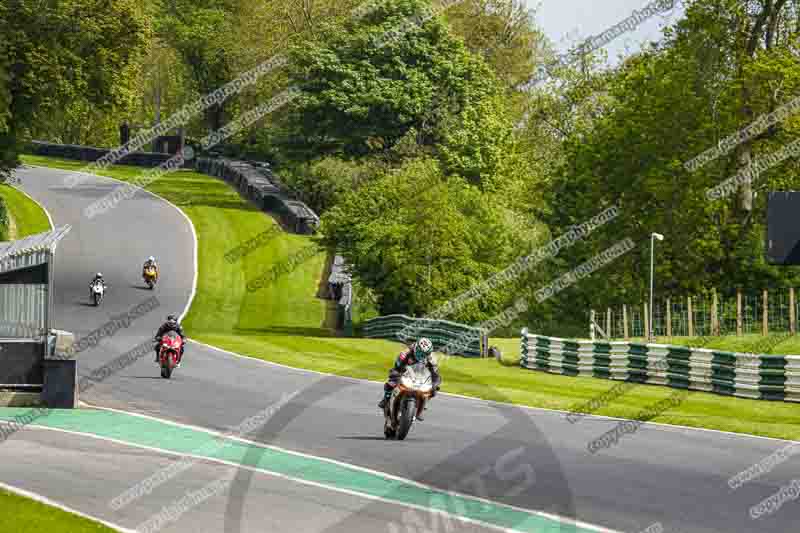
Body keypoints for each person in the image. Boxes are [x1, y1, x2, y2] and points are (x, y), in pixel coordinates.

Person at [379, 337, 441, 420]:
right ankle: (386, 399)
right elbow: (397, 366)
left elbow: (435, 374)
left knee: (433, 390)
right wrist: (397, 374)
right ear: (415, 348)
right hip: (403, 371)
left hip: (420, 376)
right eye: (419, 352)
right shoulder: (405, 353)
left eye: (424, 354)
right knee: (391, 382)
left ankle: (422, 407)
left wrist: (435, 383)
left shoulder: (431, 359)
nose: (421, 356)